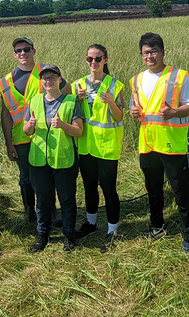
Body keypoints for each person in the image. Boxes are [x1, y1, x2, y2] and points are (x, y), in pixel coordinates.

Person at [129, 32, 189, 253]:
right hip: (147, 145)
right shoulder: (136, 80)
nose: (150, 56)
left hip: (171, 144)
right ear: (141, 55)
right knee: (153, 190)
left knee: (181, 192)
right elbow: (139, 109)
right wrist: (133, 111)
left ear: (162, 52)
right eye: (145, 53)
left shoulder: (179, 76)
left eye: (154, 51)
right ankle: (157, 226)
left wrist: (174, 112)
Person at [0, 36, 64, 225]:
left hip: (45, 135)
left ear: (34, 51)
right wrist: (8, 143)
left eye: (26, 49)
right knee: (25, 178)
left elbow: (66, 94)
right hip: (20, 138)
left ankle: (52, 212)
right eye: (19, 50)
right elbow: (6, 114)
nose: (23, 53)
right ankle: (29, 214)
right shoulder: (5, 82)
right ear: (14, 55)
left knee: (47, 175)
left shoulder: (47, 72)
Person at [23, 65, 84, 252]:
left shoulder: (71, 101)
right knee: (42, 200)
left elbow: (79, 131)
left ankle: (68, 235)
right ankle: (43, 235)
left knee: (67, 200)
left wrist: (64, 125)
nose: (48, 81)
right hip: (39, 159)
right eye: (45, 78)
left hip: (64, 159)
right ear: (41, 82)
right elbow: (26, 130)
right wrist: (30, 126)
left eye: (52, 77)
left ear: (59, 79)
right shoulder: (34, 101)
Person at [72, 44, 125, 252]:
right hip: (86, 146)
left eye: (97, 58)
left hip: (107, 147)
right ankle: (91, 224)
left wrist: (111, 102)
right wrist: (77, 100)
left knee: (109, 189)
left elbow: (120, 117)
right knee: (89, 187)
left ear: (105, 60)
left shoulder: (115, 85)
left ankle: (112, 231)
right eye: (89, 59)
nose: (93, 63)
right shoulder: (78, 85)